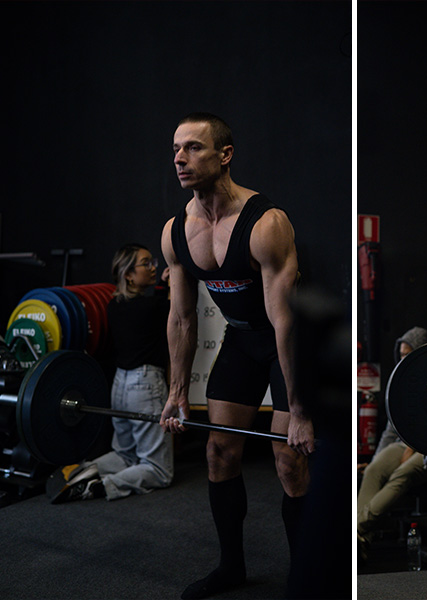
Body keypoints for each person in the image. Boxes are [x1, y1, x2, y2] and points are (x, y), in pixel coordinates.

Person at [159, 112, 313, 600]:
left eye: (194, 148)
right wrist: (177, 392)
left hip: (286, 343)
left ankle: (308, 574)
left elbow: (285, 320)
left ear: (225, 155)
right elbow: (183, 319)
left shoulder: (266, 223)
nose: (180, 158)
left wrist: (301, 412)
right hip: (243, 340)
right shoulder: (176, 231)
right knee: (219, 451)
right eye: (177, 148)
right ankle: (231, 567)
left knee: (289, 461)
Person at [48, 244, 174, 503]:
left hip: (120, 385)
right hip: (145, 385)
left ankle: (86, 470)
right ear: (128, 274)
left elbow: (154, 305)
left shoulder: (113, 306)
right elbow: (170, 309)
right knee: (160, 470)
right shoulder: (152, 308)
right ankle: (102, 485)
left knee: (125, 454)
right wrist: (174, 283)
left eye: (153, 262)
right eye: (146, 263)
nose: (153, 268)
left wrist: (163, 287)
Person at [356, 326, 427, 556]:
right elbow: (391, 429)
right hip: (403, 444)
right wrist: (374, 459)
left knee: (402, 474)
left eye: (409, 354)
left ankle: (356, 528)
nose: (404, 359)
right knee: (373, 471)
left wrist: (414, 446)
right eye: (401, 355)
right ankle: (361, 539)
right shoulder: (400, 383)